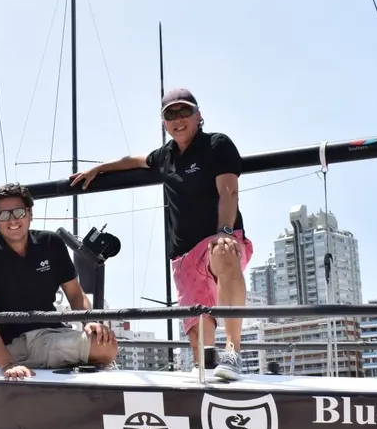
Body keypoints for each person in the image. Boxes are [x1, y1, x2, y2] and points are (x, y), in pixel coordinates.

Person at [69, 87, 251, 380]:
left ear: (199, 116)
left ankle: (233, 351)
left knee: (224, 252)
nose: (178, 119)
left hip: (216, 239)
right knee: (200, 346)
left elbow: (228, 191)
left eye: (184, 112)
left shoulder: (217, 144)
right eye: (170, 114)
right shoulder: (165, 155)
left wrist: (225, 231)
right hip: (183, 255)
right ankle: (209, 371)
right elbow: (135, 160)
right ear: (164, 123)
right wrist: (100, 168)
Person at [0, 183, 118, 379]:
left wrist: (91, 322)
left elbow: (74, 293)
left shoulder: (51, 243)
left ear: (30, 214)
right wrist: (7, 364)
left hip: (52, 332)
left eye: (19, 212)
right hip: (15, 343)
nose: (12, 220)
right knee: (104, 348)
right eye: (4, 215)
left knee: (105, 339)